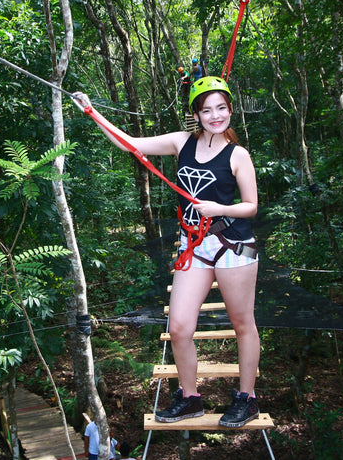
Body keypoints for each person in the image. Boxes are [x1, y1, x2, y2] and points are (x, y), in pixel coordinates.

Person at [73, 76, 260, 428]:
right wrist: (92, 113)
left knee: (241, 323)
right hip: (195, 245)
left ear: (231, 110)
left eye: (221, 108)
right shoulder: (181, 142)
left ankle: (246, 397)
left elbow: (250, 206)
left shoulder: (238, 155)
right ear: (197, 115)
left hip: (234, 244)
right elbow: (128, 144)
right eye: (207, 110)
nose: (216, 116)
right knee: (178, 327)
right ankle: (191, 397)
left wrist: (218, 208)